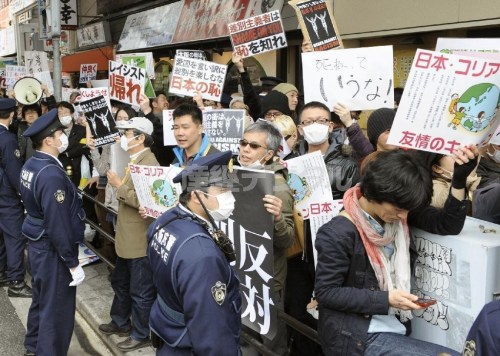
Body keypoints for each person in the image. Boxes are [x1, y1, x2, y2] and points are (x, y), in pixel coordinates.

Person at [314, 150, 460, 356]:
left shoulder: (397, 215)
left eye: (408, 210)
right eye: (399, 209)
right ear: (375, 193)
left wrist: (460, 179)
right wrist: (386, 298)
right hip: (357, 334)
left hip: (393, 324)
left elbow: (448, 224)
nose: (403, 216)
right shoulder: (338, 232)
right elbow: (326, 292)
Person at [147, 151, 242, 355]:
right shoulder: (203, 255)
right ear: (197, 196)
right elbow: (211, 331)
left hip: (169, 332)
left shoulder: (165, 221)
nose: (230, 196)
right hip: (187, 345)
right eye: (223, 190)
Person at [285, 101, 360, 356]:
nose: (314, 126)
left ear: (330, 125)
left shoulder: (349, 162)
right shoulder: (289, 162)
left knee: (332, 311)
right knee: (297, 309)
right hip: (298, 249)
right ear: (300, 128)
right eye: (308, 122)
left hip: (333, 250)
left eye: (320, 120)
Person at [20, 109, 86, 356]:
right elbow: (58, 223)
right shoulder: (50, 173)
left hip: (38, 244)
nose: (63, 136)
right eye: (59, 133)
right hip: (51, 250)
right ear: (48, 140)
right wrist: (71, 262)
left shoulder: (33, 163)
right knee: (56, 310)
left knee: (41, 301)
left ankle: (33, 347)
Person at [98, 117, 158, 352]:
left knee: (140, 290)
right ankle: (120, 321)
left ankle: (141, 333)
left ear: (140, 137)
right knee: (120, 281)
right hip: (127, 236)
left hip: (139, 239)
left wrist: (117, 185)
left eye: (127, 132)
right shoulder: (134, 159)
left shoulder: (148, 162)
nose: (122, 137)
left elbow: (149, 201)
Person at [237, 120, 295, 354]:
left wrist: (278, 217)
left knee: (272, 344)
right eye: (243, 143)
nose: (245, 150)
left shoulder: (277, 186)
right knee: (246, 338)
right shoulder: (241, 175)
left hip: (267, 280)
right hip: (243, 273)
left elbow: (288, 240)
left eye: (253, 146)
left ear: (269, 154)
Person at [0, 98, 32, 298]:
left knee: (2, 238)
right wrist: (24, 194)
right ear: (11, 114)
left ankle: (2, 272)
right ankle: (16, 282)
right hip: (6, 196)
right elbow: (14, 171)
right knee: (14, 238)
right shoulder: (7, 138)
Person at [56, 101, 90, 187]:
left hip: (78, 170)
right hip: (60, 170)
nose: (63, 115)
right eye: (60, 113)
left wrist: (68, 153)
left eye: (66, 112)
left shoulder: (82, 130)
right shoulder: (55, 132)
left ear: (72, 114)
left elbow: (84, 147)